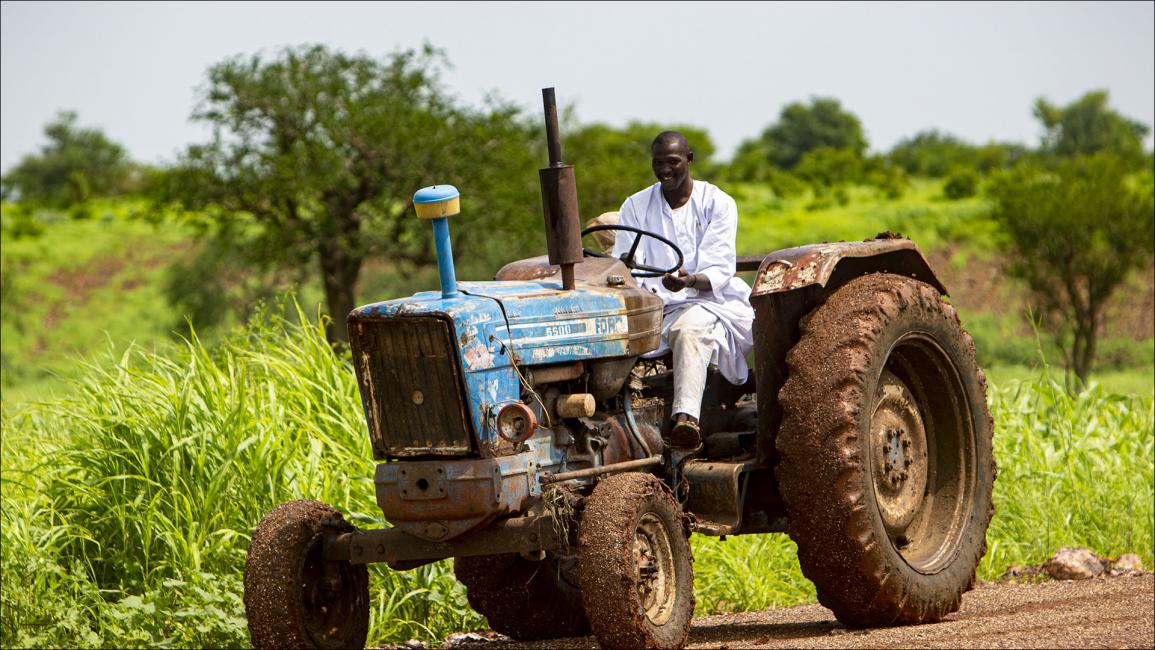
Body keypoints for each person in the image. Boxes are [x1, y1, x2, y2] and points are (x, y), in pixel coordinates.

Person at [612, 131, 754, 449]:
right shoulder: (635, 206)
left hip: (712, 302)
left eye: (673, 162)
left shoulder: (717, 203)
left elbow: (719, 269)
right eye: (658, 163)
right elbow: (624, 264)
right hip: (656, 304)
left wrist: (688, 281)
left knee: (689, 329)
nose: (665, 170)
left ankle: (685, 420)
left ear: (688, 160)